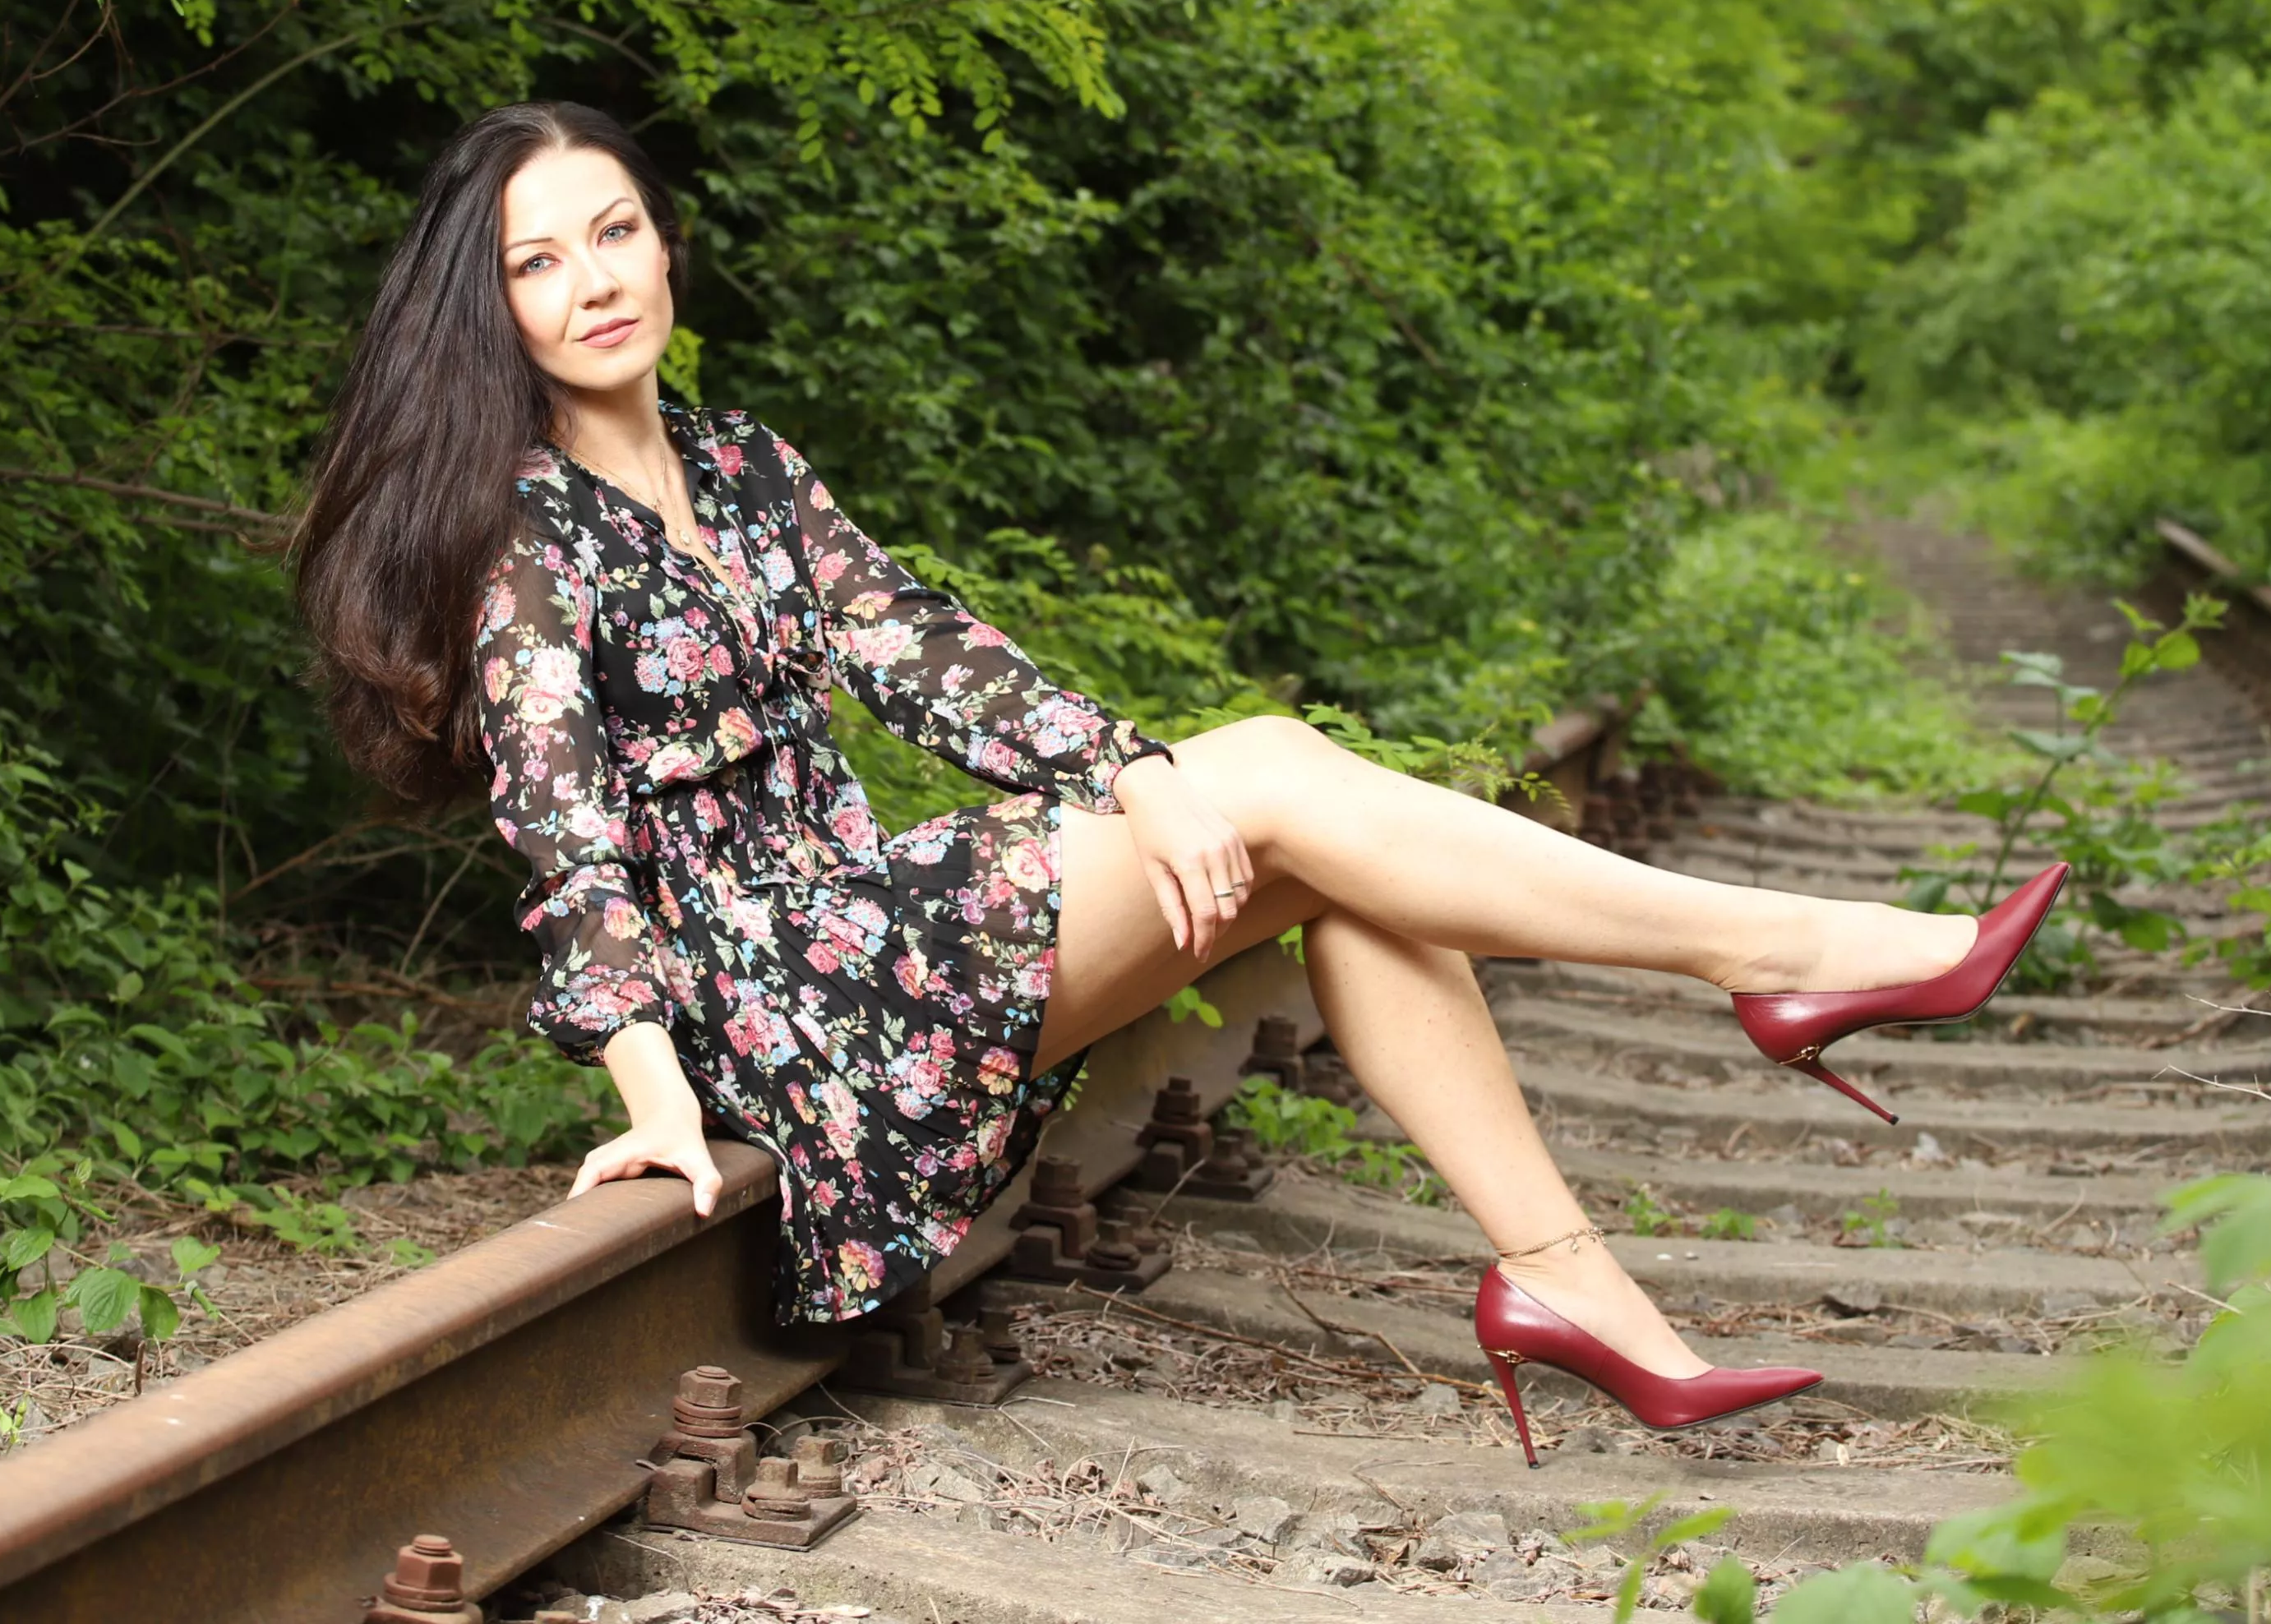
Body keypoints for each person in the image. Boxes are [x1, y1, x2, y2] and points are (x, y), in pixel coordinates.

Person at [293, 100, 2067, 1461]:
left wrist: (1130, 774)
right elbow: (567, 836)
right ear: (495, 310)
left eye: (614, 231)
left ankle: (1568, 1279)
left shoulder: (742, 467)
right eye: (539, 262)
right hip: (761, 1004)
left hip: (862, 936)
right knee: (1276, 775)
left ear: (668, 245)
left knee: (1308, 849)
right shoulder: (522, 536)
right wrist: (650, 1089)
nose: (595, 281)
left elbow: (923, 651)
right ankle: (1782, 954)